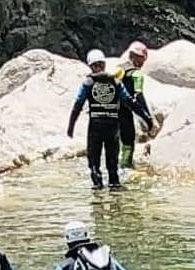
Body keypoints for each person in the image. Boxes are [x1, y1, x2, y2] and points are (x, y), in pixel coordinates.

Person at [67, 51, 150, 192]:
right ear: (104, 64)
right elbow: (129, 101)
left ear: (91, 66)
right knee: (112, 162)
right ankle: (115, 192)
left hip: (96, 125)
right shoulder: (116, 82)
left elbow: (78, 105)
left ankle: (97, 193)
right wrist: (146, 118)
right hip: (112, 126)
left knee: (94, 161)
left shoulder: (88, 83)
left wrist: (71, 126)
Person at [117, 41, 156, 171]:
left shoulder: (119, 69)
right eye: (143, 59)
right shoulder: (137, 74)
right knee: (128, 142)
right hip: (124, 112)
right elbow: (138, 97)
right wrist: (148, 118)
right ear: (139, 58)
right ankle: (125, 167)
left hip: (110, 110)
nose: (143, 63)